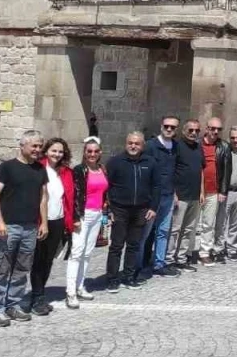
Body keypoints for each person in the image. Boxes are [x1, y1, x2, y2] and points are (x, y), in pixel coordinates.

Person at [0, 130, 48, 326]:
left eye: (40, 146)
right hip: (8, 226)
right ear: (22, 146)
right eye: (34, 146)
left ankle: (13, 305)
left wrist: (44, 222)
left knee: (22, 269)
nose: (37, 149)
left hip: (30, 227)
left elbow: (43, 197)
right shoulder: (7, 168)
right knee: (1, 269)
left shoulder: (40, 169)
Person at [103, 131, 158, 291]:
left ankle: (128, 276)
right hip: (119, 209)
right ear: (126, 144)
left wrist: (153, 207)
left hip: (141, 209)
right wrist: (109, 209)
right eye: (130, 143)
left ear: (143, 146)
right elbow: (107, 186)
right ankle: (112, 279)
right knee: (116, 245)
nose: (133, 146)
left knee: (134, 245)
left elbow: (156, 186)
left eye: (137, 143)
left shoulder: (150, 162)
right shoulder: (115, 162)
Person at [27, 137, 75, 316]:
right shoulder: (37, 168)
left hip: (58, 220)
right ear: (46, 151)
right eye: (54, 150)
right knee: (38, 261)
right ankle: (36, 298)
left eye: (60, 151)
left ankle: (40, 295)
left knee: (48, 261)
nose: (57, 154)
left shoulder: (65, 172)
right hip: (40, 221)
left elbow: (68, 198)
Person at [65, 137, 107, 309]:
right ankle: (70, 292)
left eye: (96, 151)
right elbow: (75, 195)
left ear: (100, 153)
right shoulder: (79, 170)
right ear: (84, 152)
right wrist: (75, 218)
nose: (92, 154)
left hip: (97, 214)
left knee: (88, 252)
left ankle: (80, 286)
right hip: (83, 215)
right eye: (89, 151)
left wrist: (105, 210)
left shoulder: (102, 169)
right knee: (76, 252)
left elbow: (104, 192)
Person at [141, 116, 179, 278]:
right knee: (145, 233)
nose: (169, 129)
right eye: (166, 126)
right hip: (152, 197)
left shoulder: (175, 146)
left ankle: (159, 263)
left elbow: (175, 171)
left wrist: (175, 192)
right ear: (161, 126)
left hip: (168, 195)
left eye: (173, 127)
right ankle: (139, 265)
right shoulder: (150, 146)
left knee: (163, 231)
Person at [168, 119, 205, 272]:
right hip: (180, 196)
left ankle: (181, 259)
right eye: (190, 130)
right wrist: (174, 193)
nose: (194, 133)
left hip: (194, 196)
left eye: (197, 130)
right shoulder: (177, 147)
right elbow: (171, 171)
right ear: (184, 131)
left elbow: (201, 170)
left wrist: (202, 191)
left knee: (188, 230)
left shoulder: (198, 147)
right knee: (174, 230)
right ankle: (169, 260)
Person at [195, 117, 227, 265]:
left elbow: (226, 170)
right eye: (212, 128)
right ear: (207, 128)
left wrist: (223, 191)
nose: (215, 131)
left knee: (208, 224)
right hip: (195, 190)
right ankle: (187, 253)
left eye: (219, 129)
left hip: (213, 190)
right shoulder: (196, 144)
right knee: (192, 225)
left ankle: (204, 252)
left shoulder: (223, 146)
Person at [214, 126, 237, 262]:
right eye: (233, 138)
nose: (235, 140)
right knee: (221, 223)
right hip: (226, 192)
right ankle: (218, 249)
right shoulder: (224, 151)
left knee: (236, 224)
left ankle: (232, 249)